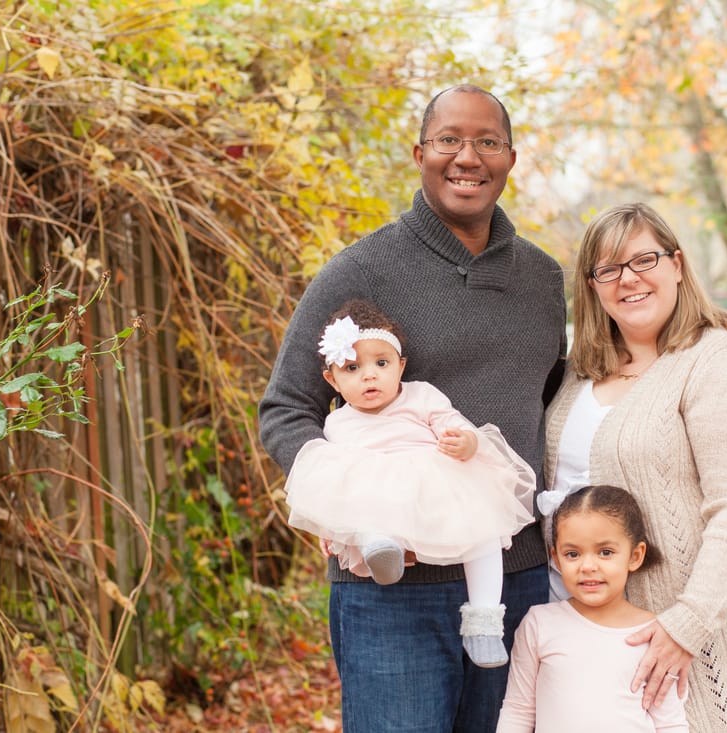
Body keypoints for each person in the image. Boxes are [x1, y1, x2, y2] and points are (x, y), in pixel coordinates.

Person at [259, 85, 566, 732]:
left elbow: (562, 392)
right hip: (390, 588)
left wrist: (697, 332)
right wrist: (347, 499)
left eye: (487, 141)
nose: (467, 156)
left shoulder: (542, 281)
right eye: (450, 139)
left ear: (510, 157)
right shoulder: (359, 270)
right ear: (420, 152)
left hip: (515, 578)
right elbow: (287, 407)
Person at [543, 202, 727, 731]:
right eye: (608, 269)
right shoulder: (577, 375)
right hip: (592, 645)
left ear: (676, 265)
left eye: (644, 260)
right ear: (592, 286)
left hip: (696, 634)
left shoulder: (715, 361)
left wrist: (688, 624)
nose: (628, 280)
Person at [284, 299, 538, 668]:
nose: (369, 376)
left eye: (381, 364)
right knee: (366, 504)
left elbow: (453, 422)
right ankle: (380, 550)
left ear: (401, 366)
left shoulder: (421, 395)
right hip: (379, 504)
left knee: (482, 532)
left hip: (436, 484)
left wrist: (467, 442)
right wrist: (332, 527)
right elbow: (336, 489)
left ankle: (484, 622)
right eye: (352, 368)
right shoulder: (337, 424)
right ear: (331, 379)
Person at [497, 484, 689, 732]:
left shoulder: (655, 634)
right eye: (573, 554)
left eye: (605, 552)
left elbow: (670, 724)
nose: (587, 566)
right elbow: (518, 711)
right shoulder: (539, 623)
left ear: (635, 556)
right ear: (556, 558)